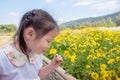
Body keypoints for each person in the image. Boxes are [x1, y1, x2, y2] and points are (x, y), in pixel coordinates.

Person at [0, 9, 63, 80]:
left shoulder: (36, 55)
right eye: (48, 41)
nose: (49, 46)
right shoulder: (2, 58)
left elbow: (37, 76)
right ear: (30, 34)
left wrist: (51, 66)